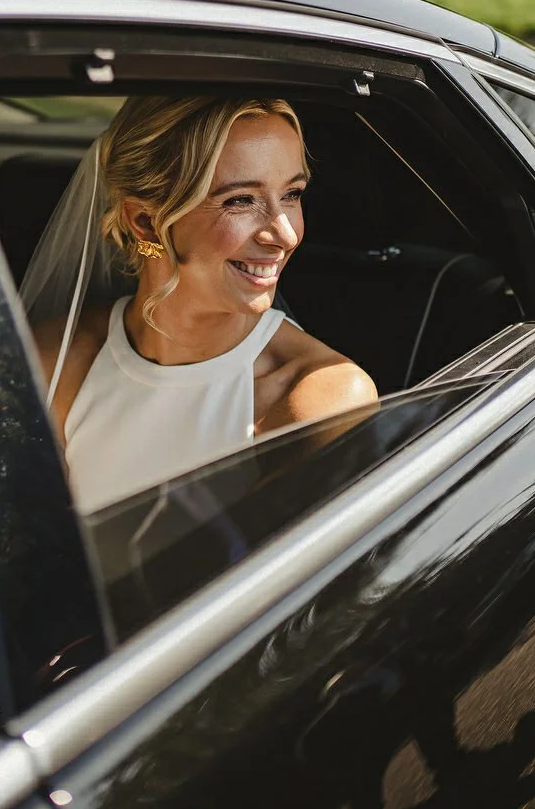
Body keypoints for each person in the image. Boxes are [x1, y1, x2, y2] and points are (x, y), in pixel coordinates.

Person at [30, 95, 377, 515]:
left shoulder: (317, 399)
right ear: (145, 222)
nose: (285, 234)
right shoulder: (56, 361)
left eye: (292, 194)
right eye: (241, 200)